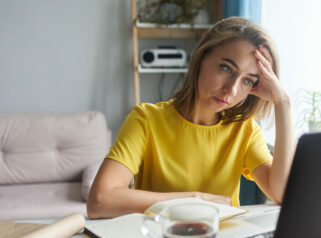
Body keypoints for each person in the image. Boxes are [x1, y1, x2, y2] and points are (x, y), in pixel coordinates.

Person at [87, 17, 296, 219]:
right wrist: (195, 200)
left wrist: (283, 103)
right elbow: (99, 200)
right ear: (201, 57)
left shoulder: (245, 130)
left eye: (248, 81)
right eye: (226, 68)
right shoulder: (146, 119)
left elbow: (281, 194)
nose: (231, 90)